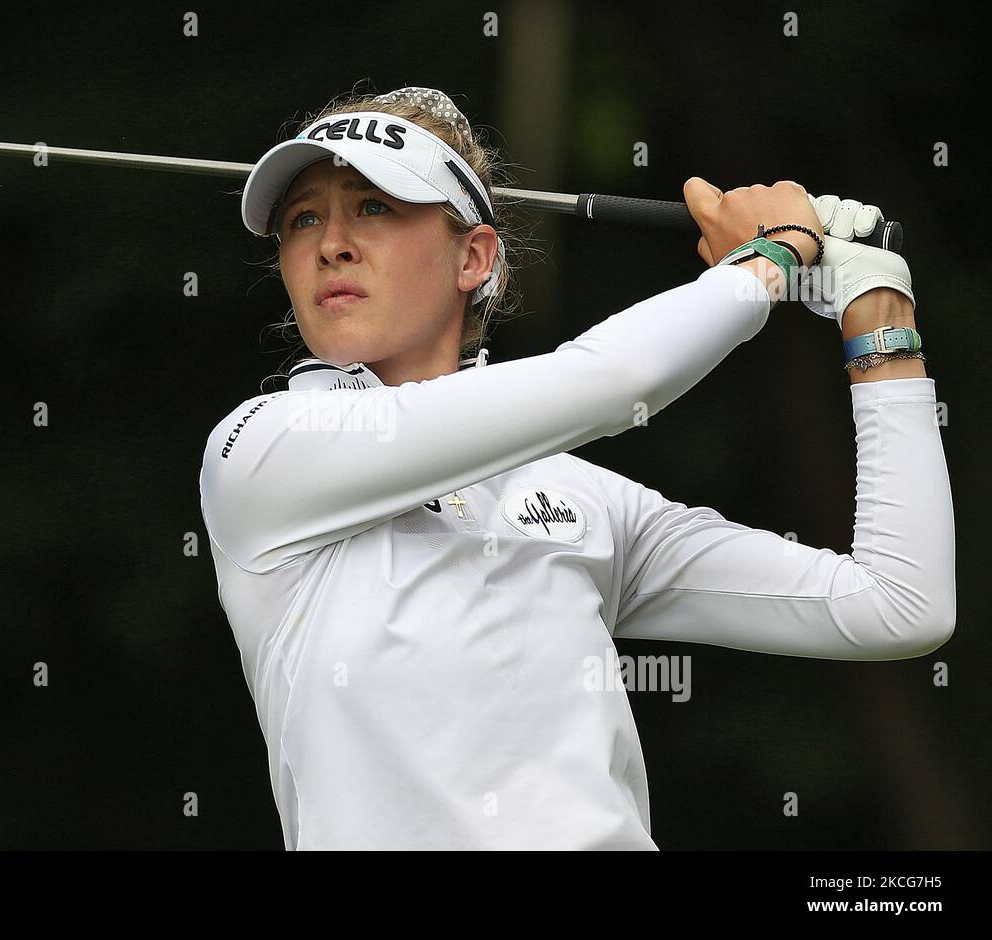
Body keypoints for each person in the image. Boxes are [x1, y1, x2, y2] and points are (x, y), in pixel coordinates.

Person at [198, 86, 955, 850]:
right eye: (303, 219)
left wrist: (880, 317)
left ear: (475, 256)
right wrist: (770, 257)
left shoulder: (576, 498)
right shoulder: (266, 449)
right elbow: (613, 381)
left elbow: (895, 605)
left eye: (372, 208)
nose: (331, 243)